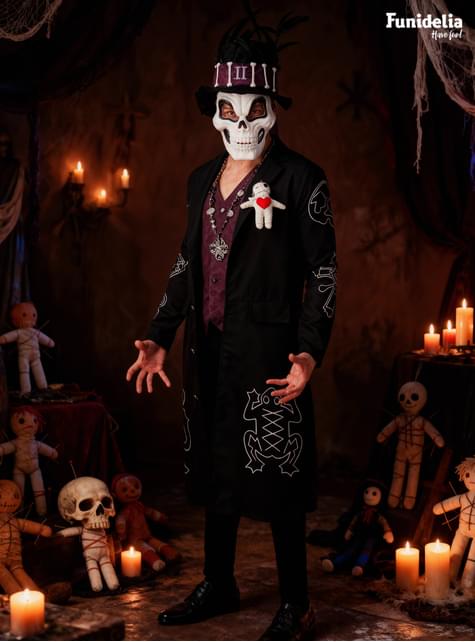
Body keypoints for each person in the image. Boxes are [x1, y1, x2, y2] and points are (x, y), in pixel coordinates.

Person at [126, 14, 336, 641]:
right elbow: (186, 262)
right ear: (215, 112)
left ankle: (297, 603)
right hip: (208, 350)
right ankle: (220, 583)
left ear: (272, 108)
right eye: (229, 109)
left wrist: (309, 353)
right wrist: (160, 334)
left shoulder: (302, 179)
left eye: (255, 109)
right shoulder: (200, 181)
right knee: (218, 470)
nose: (241, 123)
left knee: (278, 476)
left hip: (269, 352)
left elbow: (324, 273)